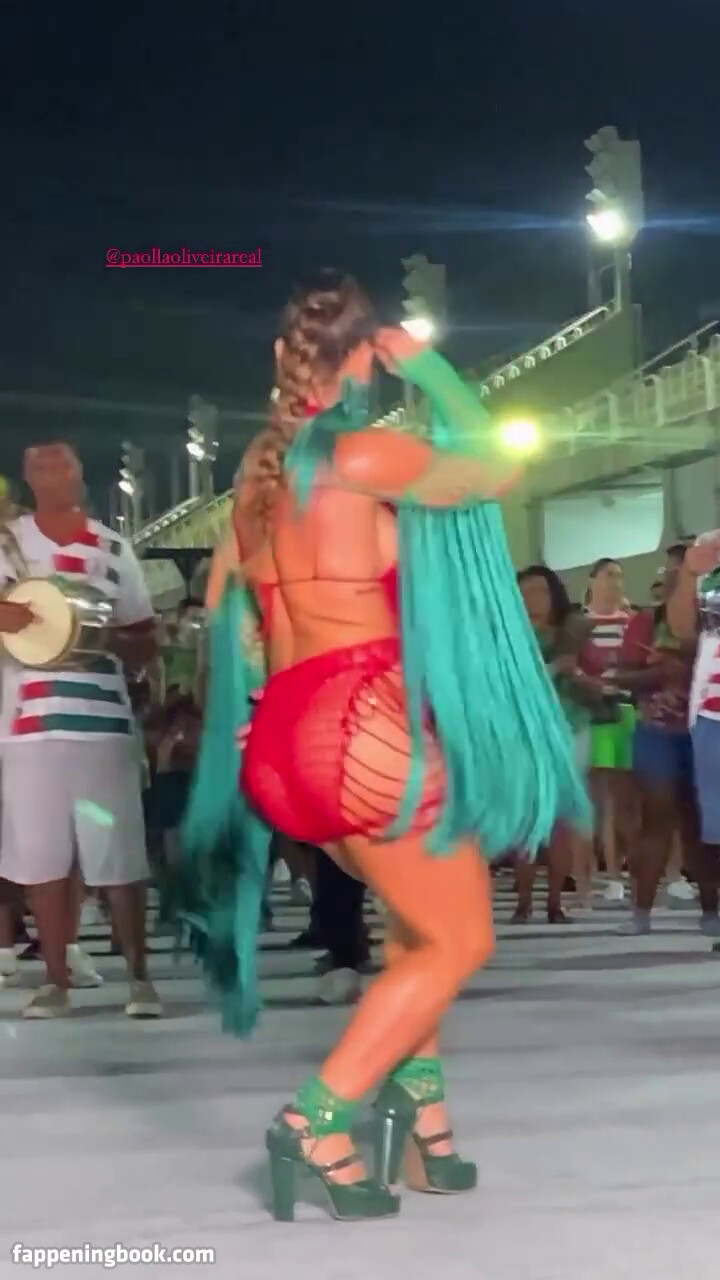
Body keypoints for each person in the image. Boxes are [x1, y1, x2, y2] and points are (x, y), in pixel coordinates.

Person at [195, 270, 588, 1222]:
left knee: (418, 922)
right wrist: (434, 369)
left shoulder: (257, 479)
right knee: (460, 938)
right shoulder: (358, 454)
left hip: (286, 735)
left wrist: (261, 690)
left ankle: (423, 1127)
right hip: (362, 725)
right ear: (365, 358)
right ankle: (319, 1120)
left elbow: (225, 608)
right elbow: (492, 467)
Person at [0, 442, 162, 1019]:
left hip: (104, 725)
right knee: (42, 859)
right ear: (27, 476)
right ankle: (55, 980)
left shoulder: (114, 548)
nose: (50, 471)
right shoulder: (6, 543)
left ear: (78, 472)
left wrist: (102, 637)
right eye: (39, 464)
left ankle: (140, 979)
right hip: (25, 728)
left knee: (119, 857)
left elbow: (145, 638)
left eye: (61, 462)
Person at [616, 547, 713, 934]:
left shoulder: (713, 619)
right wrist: (657, 674)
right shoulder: (646, 621)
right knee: (656, 819)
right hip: (658, 732)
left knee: (702, 823)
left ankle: (711, 912)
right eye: (674, 572)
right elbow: (622, 676)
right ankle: (640, 913)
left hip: (705, 730)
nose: (678, 579)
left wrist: (690, 666)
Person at [514, 565, 603, 921]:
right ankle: (523, 901)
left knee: (562, 821)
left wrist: (578, 673)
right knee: (527, 818)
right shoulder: (507, 637)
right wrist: (555, 668)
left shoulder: (573, 633)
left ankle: (555, 901)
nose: (533, 599)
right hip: (524, 734)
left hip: (571, 728)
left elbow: (598, 678)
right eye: (525, 592)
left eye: (540, 591)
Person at [666, 530, 720, 944]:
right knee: (714, 823)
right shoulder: (709, 551)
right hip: (711, 713)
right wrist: (688, 574)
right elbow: (683, 629)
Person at [584, 557, 636, 902]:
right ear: (593, 581)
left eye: (619, 575)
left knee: (628, 798)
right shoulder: (581, 624)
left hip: (628, 711)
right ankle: (609, 875)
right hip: (595, 714)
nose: (615, 581)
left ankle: (636, 871)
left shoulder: (631, 623)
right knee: (601, 799)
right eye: (608, 575)